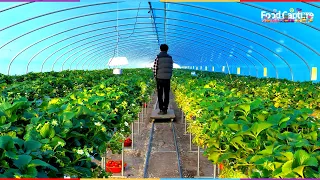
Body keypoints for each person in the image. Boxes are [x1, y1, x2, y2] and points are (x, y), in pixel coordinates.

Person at [153, 44, 173, 115]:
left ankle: (161, 109)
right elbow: (171, 68)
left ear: (160, 49)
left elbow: (155, 68)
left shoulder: (158, 57)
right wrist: (169, 76)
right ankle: (165, 109)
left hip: (159, 78)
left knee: (160, 94)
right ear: (167, 50)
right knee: (167, 94)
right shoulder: (170, 58)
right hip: (167, 78)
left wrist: (155, 76)